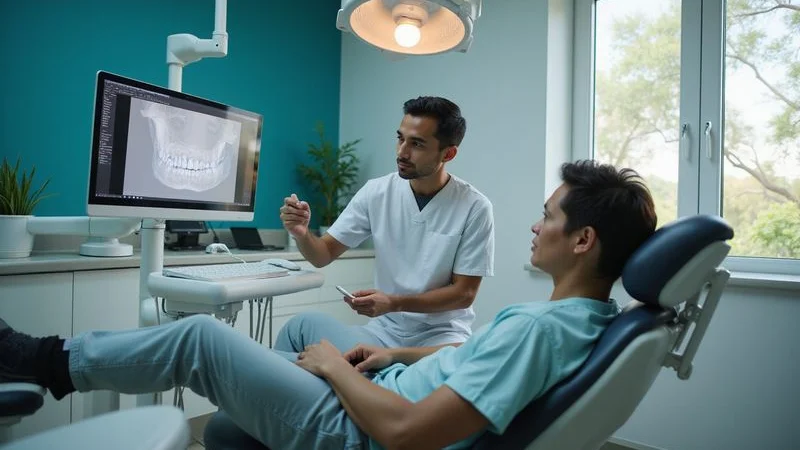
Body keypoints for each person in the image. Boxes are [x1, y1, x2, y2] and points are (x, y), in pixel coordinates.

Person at [0, 160, 656, 450]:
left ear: (583, 239)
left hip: (367, 429)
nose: (534, 227)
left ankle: (43, 361)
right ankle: (263, 410)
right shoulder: (584, 318)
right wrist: (394, 350)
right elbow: (475, 355)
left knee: (199, 338)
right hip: (395, 378)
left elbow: (404, 435)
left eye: (546, 218)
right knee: (312, 322)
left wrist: (337, 371)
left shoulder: (538, 327)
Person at [277, 96, 495, 352]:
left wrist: (394, 303)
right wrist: (302, 233)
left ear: (448, 153)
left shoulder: (475, 207)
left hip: (441, 338)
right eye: (400, 138)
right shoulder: (377, 192)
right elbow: (322, 254)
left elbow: (464, 294)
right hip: (381, 333)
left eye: (417, 144)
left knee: (420, 381)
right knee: (301, 327)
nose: (402, 151)